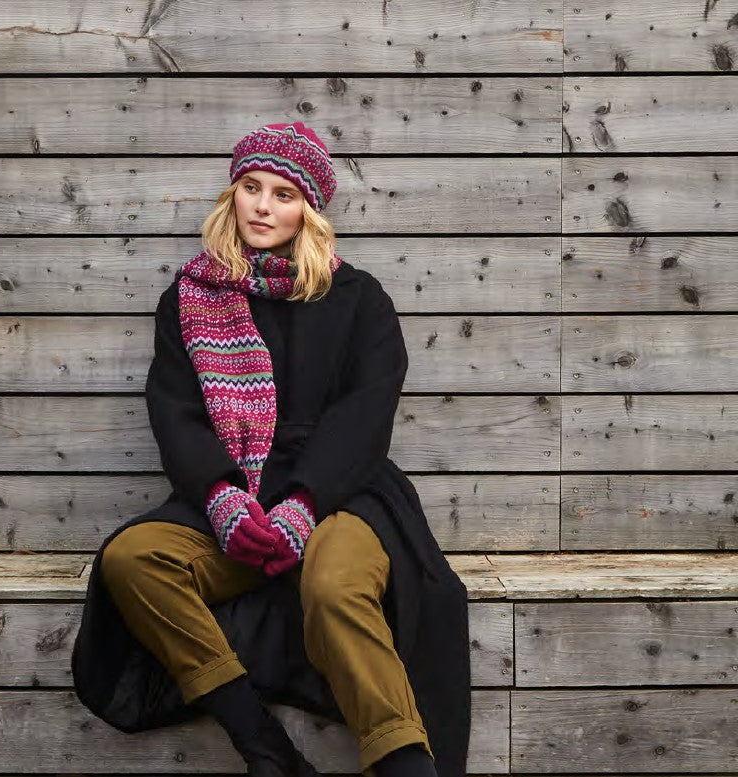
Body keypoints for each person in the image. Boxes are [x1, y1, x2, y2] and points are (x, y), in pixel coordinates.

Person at [70, 121, 471, 777]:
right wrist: (223, 499)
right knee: (133, 558)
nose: (262, 206)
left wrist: (303, 505)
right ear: (232, 194)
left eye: (283, 194)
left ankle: (405, 766)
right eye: (251, 187)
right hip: (234, 498)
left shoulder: (359, 300)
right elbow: (176, 412)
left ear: (308, 209)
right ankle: (265, 747)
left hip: (342, 494)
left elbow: (365, 416)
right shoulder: (189, 300)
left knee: (334, 585)